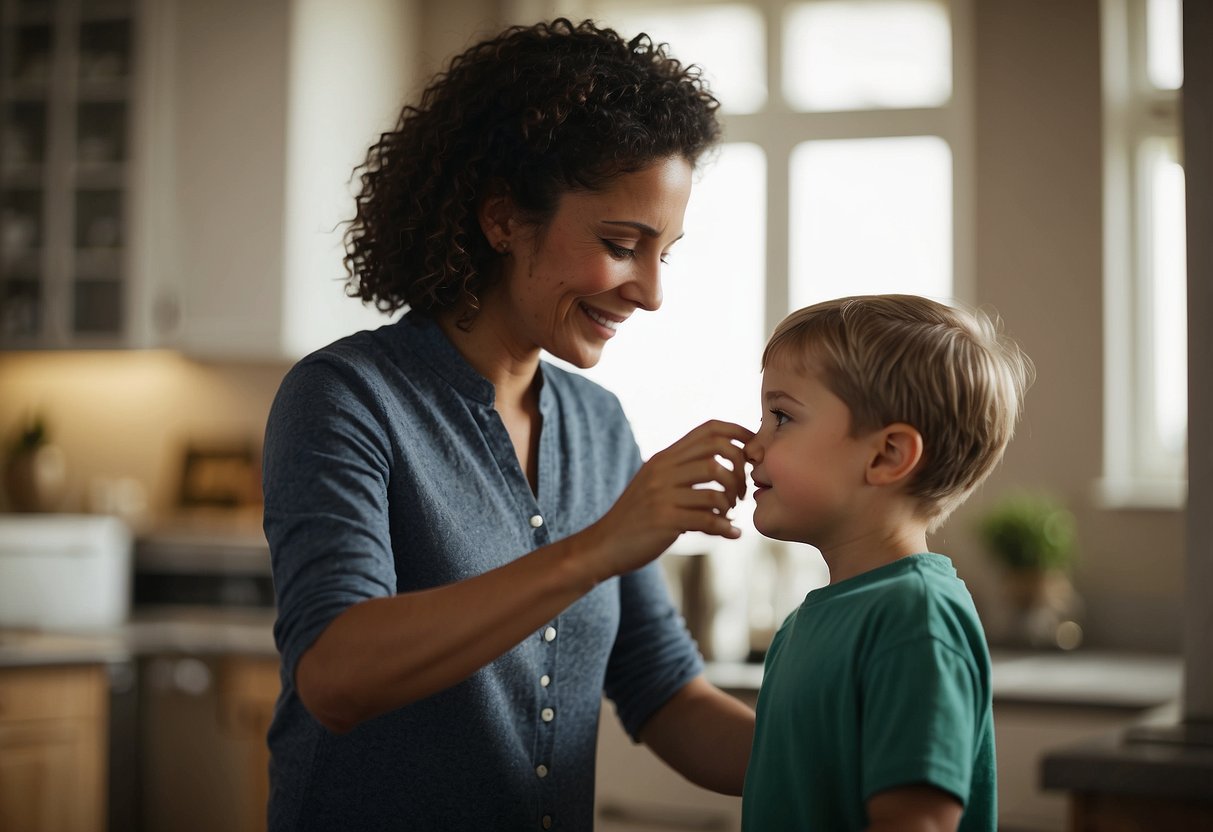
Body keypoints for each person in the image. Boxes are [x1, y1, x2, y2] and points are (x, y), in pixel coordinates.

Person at [261, 18, 756, 831]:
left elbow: (665, 693)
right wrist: (598, 547)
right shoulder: (345, 397)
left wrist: (852, 765)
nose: (649, 291)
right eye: (621, 243)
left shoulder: (598, 425)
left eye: (663, 251)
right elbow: (335, 675)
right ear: (502, 220)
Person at [740, 294, 1034, 832]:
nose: (751, 447)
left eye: (781, 417)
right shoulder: (803, 626)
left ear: (887, 455)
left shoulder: (914, 619)